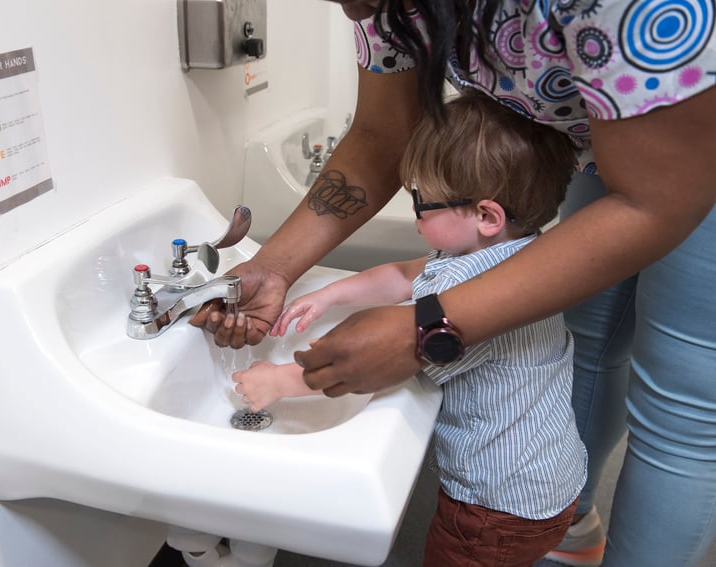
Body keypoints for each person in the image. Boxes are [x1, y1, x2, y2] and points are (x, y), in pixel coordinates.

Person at [191, 1, 716, 565]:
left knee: (683, 403)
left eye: (421, 201)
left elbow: (652, 200)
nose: (343, 7)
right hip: (537, 490)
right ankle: (566, 521)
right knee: (595, 338)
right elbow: (382, 140)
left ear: (487, 216)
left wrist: (417, 331)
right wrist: (281, 272)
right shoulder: (506, 241)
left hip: (693, 140)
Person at [233, 92, 585, 565]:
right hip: (549, 482)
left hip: (494, 508)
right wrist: (327, 294)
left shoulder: (471, 288)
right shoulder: (516, 256)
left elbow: (373, 363)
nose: (414, 208)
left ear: (485, 215)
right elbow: (402, 276)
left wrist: (279, 381)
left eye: (422, 200)